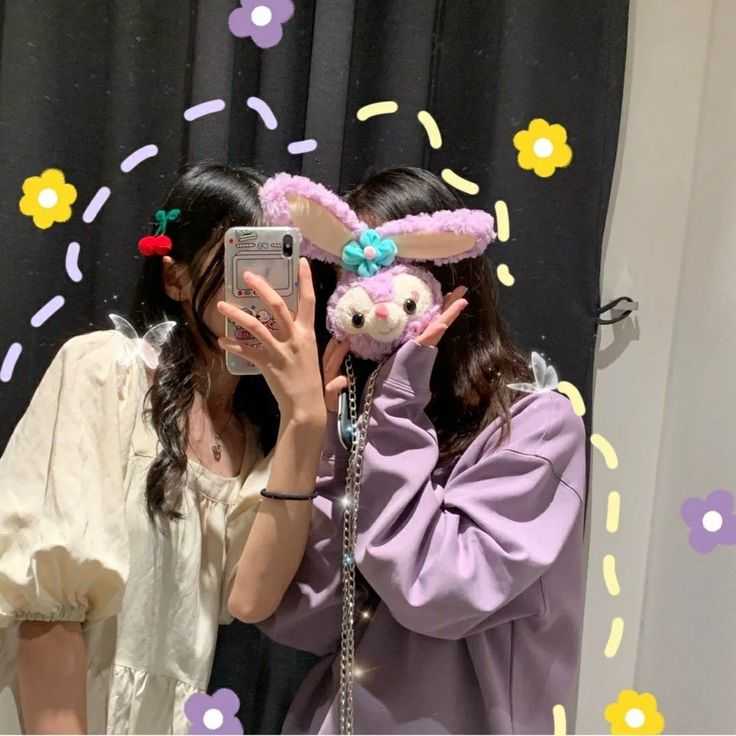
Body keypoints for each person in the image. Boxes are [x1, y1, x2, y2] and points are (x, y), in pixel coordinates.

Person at [251, 167, 588, 734]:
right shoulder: (354, 419)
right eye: (355, 276)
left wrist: (397, 410)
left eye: (400, 274)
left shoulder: (538, 427)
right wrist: (319, 440)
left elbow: (435, 590)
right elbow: (303, 619)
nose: (381, 305)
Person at [0, 163, 332, 734]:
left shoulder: (253, 441)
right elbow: (47, 610)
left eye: (275, 272)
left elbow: (250, 600)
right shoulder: (108, 371)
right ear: (175, 278)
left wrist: (304, 421)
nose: (262, 295)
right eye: (241, 266)